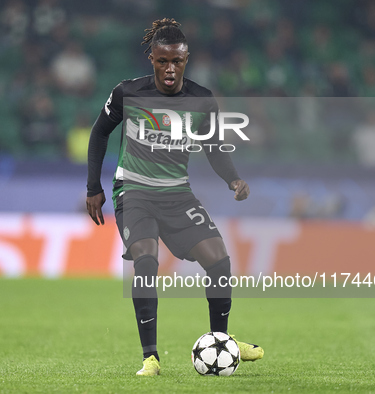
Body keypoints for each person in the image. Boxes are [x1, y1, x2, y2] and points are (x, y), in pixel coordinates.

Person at [86, 18, 263, 376]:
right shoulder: (127, 93)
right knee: (147, 261)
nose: (170, 69)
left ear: (187, 58)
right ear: (151, 58)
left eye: (177, 61)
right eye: (162, 61)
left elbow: (213, 147)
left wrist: (233, 179)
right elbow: (99, 133)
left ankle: (222, 341)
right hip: (134, 191)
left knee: (219, 260)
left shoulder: (202, 100)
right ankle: (150, 357)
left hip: (177, 194)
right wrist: (94, 187)